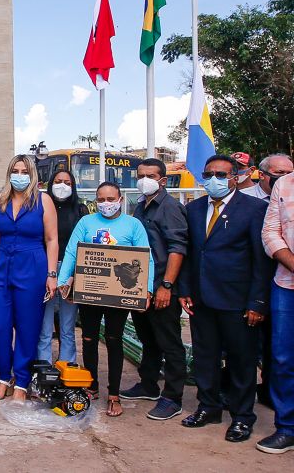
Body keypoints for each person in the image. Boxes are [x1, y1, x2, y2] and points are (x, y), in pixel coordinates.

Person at [178, 154, 270, 442]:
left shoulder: (254, 208)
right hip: (201, 299)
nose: (214, 179)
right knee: (205, 357)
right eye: (209, 174)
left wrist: (257, 302)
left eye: (221, 174)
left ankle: (242, 416)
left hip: (237, 300)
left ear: (235, 177)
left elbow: (261, 260)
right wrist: (185, 290)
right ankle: (209, 407)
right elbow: (190, 253)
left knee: (241, 361)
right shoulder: (193, 209)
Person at [58, 181, 154, 417]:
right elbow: (72, 251)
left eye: (111, 199)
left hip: (119, 293)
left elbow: (146, 258)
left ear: (120, 200)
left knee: (114, 339)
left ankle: (114, 394)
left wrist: (147, 290)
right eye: (101, 199)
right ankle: (91, 386)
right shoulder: (86, 222)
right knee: (89, 338)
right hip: (91, 290)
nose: (106, 203)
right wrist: (63, 280)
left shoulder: (133, 225)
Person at [119, 159, 188, 421]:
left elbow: (177, 248)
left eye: (150, 175)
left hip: (161, 286)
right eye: (140, 175)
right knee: (148, 339)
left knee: (169, 343)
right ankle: (148, 385)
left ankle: (173, 397)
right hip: (140, 286)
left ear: (162, 179)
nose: (144, 180)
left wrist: (166, 286)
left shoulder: (170, 208)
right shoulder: (141, 206)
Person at [0, 154, 58, 403]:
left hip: (32, 265)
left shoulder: (43, 200)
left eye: (24, 171)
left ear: (32, 175)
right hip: (2, 266)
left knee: (27, 327)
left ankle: (22, 382)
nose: (19, 175)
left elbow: (51, 239)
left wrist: (51, 275)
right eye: (15, 170)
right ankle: (5, 377)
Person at [258, 168, 294, 453]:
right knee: (282, 358)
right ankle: (287, 427)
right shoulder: (284, 185)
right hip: (286, 284)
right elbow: (270, 232)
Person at [36, 170, 88, 365]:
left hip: (71, 272)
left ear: (73, 186)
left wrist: (75, 273)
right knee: (44, 325)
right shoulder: (41, 208)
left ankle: (67, 364)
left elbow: (84, 245)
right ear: (50, 184)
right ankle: (43, 366)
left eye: (67, 182)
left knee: (67, 325)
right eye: (58, 181)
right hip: (45, 270)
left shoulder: (80, 210)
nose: (62, 186)